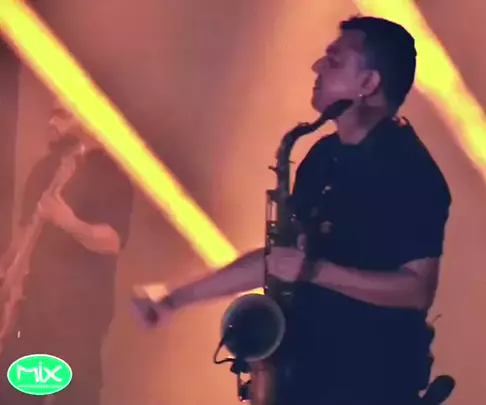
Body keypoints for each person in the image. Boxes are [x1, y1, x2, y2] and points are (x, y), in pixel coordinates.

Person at [133, 16, 452, 405]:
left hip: (368, 385)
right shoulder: (321, 156)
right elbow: (280, 259)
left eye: (334, 61)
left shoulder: (410, 171)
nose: (317, 67)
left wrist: (315, 271)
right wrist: (174, 299)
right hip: (306, 378)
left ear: (369, 83)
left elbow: (416, 290)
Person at [0, 101, 135, 405]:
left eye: (62, 115)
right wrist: (8, 271)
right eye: (52, 113)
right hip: (32, 311)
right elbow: (24, 234)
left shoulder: (111, 175)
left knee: (74, 397)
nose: (51, 122)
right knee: (14, 394)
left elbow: (112, 242)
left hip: (78, 318)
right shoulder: (44, 169)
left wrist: (68, 221)